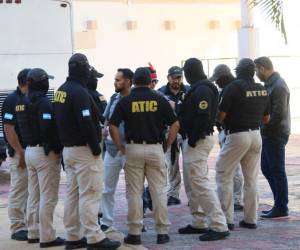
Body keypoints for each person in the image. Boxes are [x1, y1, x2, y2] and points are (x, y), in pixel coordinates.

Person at [54, 53, 121, 250]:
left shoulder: (61, 90)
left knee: (73, 195)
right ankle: (94, 237)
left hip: (69, 150)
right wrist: (95, 147)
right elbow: (85, 121)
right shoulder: (80, 92)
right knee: (90, 194)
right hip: (84, 151)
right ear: (83, 69)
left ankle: (73, 236)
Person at [109, 67, 180, 245]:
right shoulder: (159, 99)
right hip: (155, 148)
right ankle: (162, 232)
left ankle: (134, 233)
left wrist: (120, 147)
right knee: (158, 192)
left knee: (134, 192)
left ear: (133, 82)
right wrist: (167, 144)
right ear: (150, 81)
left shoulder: (126, 101)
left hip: (133, 149)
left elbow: (112, 126)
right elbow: (175, 124)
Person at [178, 58, 229, 241]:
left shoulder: (202, 89)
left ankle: (218, 225)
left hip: (198, 140)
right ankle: (199, 221)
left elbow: (203, 116)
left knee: (200, 183)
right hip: (194, 140)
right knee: (192, 183)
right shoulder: (199, 87)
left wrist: (191, 140)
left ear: (191, 72)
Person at [215, 58, 270, 230]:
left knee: (224, 174)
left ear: (238, 71)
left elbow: (221, 116)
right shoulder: (262, 89)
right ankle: (250, 219)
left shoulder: (233, 88)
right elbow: (266, 118)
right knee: (251, 179)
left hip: (237, 135)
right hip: (256, 135)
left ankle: (226, 219)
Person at [15, 68, 65, 247]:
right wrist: (57, 147)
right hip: (45, 153)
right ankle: (47, 236)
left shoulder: (22, 101)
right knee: (48, 196)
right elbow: (47, 128)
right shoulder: (43, 102)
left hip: (30, 151)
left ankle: (34, 232)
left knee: (34, 195)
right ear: (41, 83)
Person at [254, 56, 291, 219]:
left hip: (276, 134)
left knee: (277, 170)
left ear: (262, 68)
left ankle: (281, 206)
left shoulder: (279, 86)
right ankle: (279, 204)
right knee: (267, 168)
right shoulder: (270, 85)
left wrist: (262, 128)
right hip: (269, 134)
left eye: (256, 70)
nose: (255, 74)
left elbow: (278, 115)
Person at [100, 68, 133, 232]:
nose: (115, 82)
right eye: (115, 79)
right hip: (112, 150)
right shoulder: (113, 98)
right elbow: (106, 119)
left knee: (133, 189)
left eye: (118, 80)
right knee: (107, 188)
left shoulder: (135, 98)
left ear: (128, 81)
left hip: (130, 150)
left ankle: (135, 221)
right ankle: (106, 221)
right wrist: (105, 129)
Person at [210, 64, 244, 212]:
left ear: (224, 77)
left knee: (231, 169)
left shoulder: (230, 89)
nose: (216, 82)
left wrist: (216, 119)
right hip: (238, 132)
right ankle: (236, 199)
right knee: (237, 170)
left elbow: (222, 115)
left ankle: (234, 201)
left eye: (218, 79)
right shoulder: (235, 87)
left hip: (231, 132)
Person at [1, 69, 30, 241]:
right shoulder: (12, 99)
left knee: (28, 191)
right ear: (27, 81)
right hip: (18, 152)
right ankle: (17, 226)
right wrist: (20, 152)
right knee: (19, 190)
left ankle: (26, 224)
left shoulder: (27, 98)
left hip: (27, 152)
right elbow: (8, 128)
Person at [158, 66, 190, 205]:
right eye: (174, 77)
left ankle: (193, 195)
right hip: (170, 132)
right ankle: (173, 194)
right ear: (168, 77)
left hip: (187, 132)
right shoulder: (160, 93)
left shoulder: (189, 90)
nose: (176, 80)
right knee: (172, 165)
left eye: (179, 77)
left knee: (190, 165)